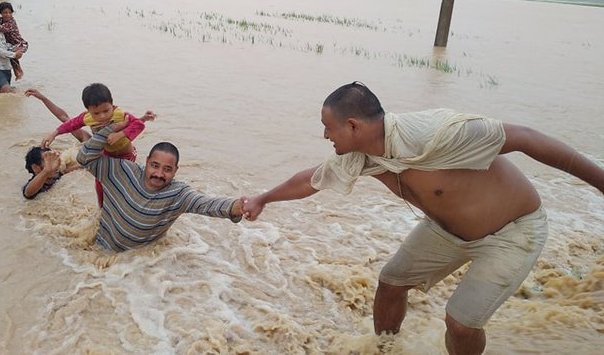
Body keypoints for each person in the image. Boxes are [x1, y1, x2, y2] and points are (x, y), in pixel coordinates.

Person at [242, 82, 604, 355]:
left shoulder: (437, 134)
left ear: (352, 126)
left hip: (512, 232)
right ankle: (385, 349)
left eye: (328, 127)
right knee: (390, 285)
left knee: (461, 325)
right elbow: (310, 178)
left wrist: (602, 183)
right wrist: (263, 198)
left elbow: (526, 137)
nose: (324, 135)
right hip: (446, 231)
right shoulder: (361, 155)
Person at [76, 121, 247, 251]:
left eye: (167, 169)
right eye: (155, 166)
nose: (159, 174)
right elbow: (84, 158)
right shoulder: (122, 171)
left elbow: (207, 204)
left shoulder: (178, 194)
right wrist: (110, 130)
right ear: (147, 161)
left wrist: (237, 207)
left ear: (175, 171)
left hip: (134, 263)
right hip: (97, 248)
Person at [41, 83, 156, 207]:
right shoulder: (87, 118)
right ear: (88, 110)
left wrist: (121, 134)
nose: (102, 116)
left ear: (112, 104)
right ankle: (102, 208)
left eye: (106, 111)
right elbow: (71, 124)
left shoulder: (120, 114)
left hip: (126, 155)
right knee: (99, 181)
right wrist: (54, 133)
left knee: (123, 184)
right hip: (106, 154)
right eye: (96, 113)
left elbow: (138, 124)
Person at [0, 2, 27, 80]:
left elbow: (0, 28)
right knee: (9, 54)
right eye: (5, 13)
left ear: (12, 13)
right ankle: (17, 71)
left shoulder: (11, 22)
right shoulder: (0, 20)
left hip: (20, 44)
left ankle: (18, 71)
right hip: (10, 45)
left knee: (11, 54)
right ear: (0, 13)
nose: (7, 14)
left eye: (9, 13)